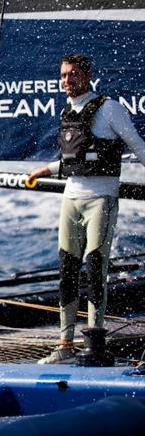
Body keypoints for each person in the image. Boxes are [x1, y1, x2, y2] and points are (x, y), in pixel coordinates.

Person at [28, 53, 145, 364]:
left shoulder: (109, 108)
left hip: (100, 200)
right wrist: (46, 170)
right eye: (64, 75)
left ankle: (94, 342)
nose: (68, 80)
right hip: (71, 199)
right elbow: (74, 157)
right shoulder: (68, 110)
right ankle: (65, 344)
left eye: (74, 74)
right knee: (67, 270)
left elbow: (137, 145)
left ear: (88, 75)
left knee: (95, 269)